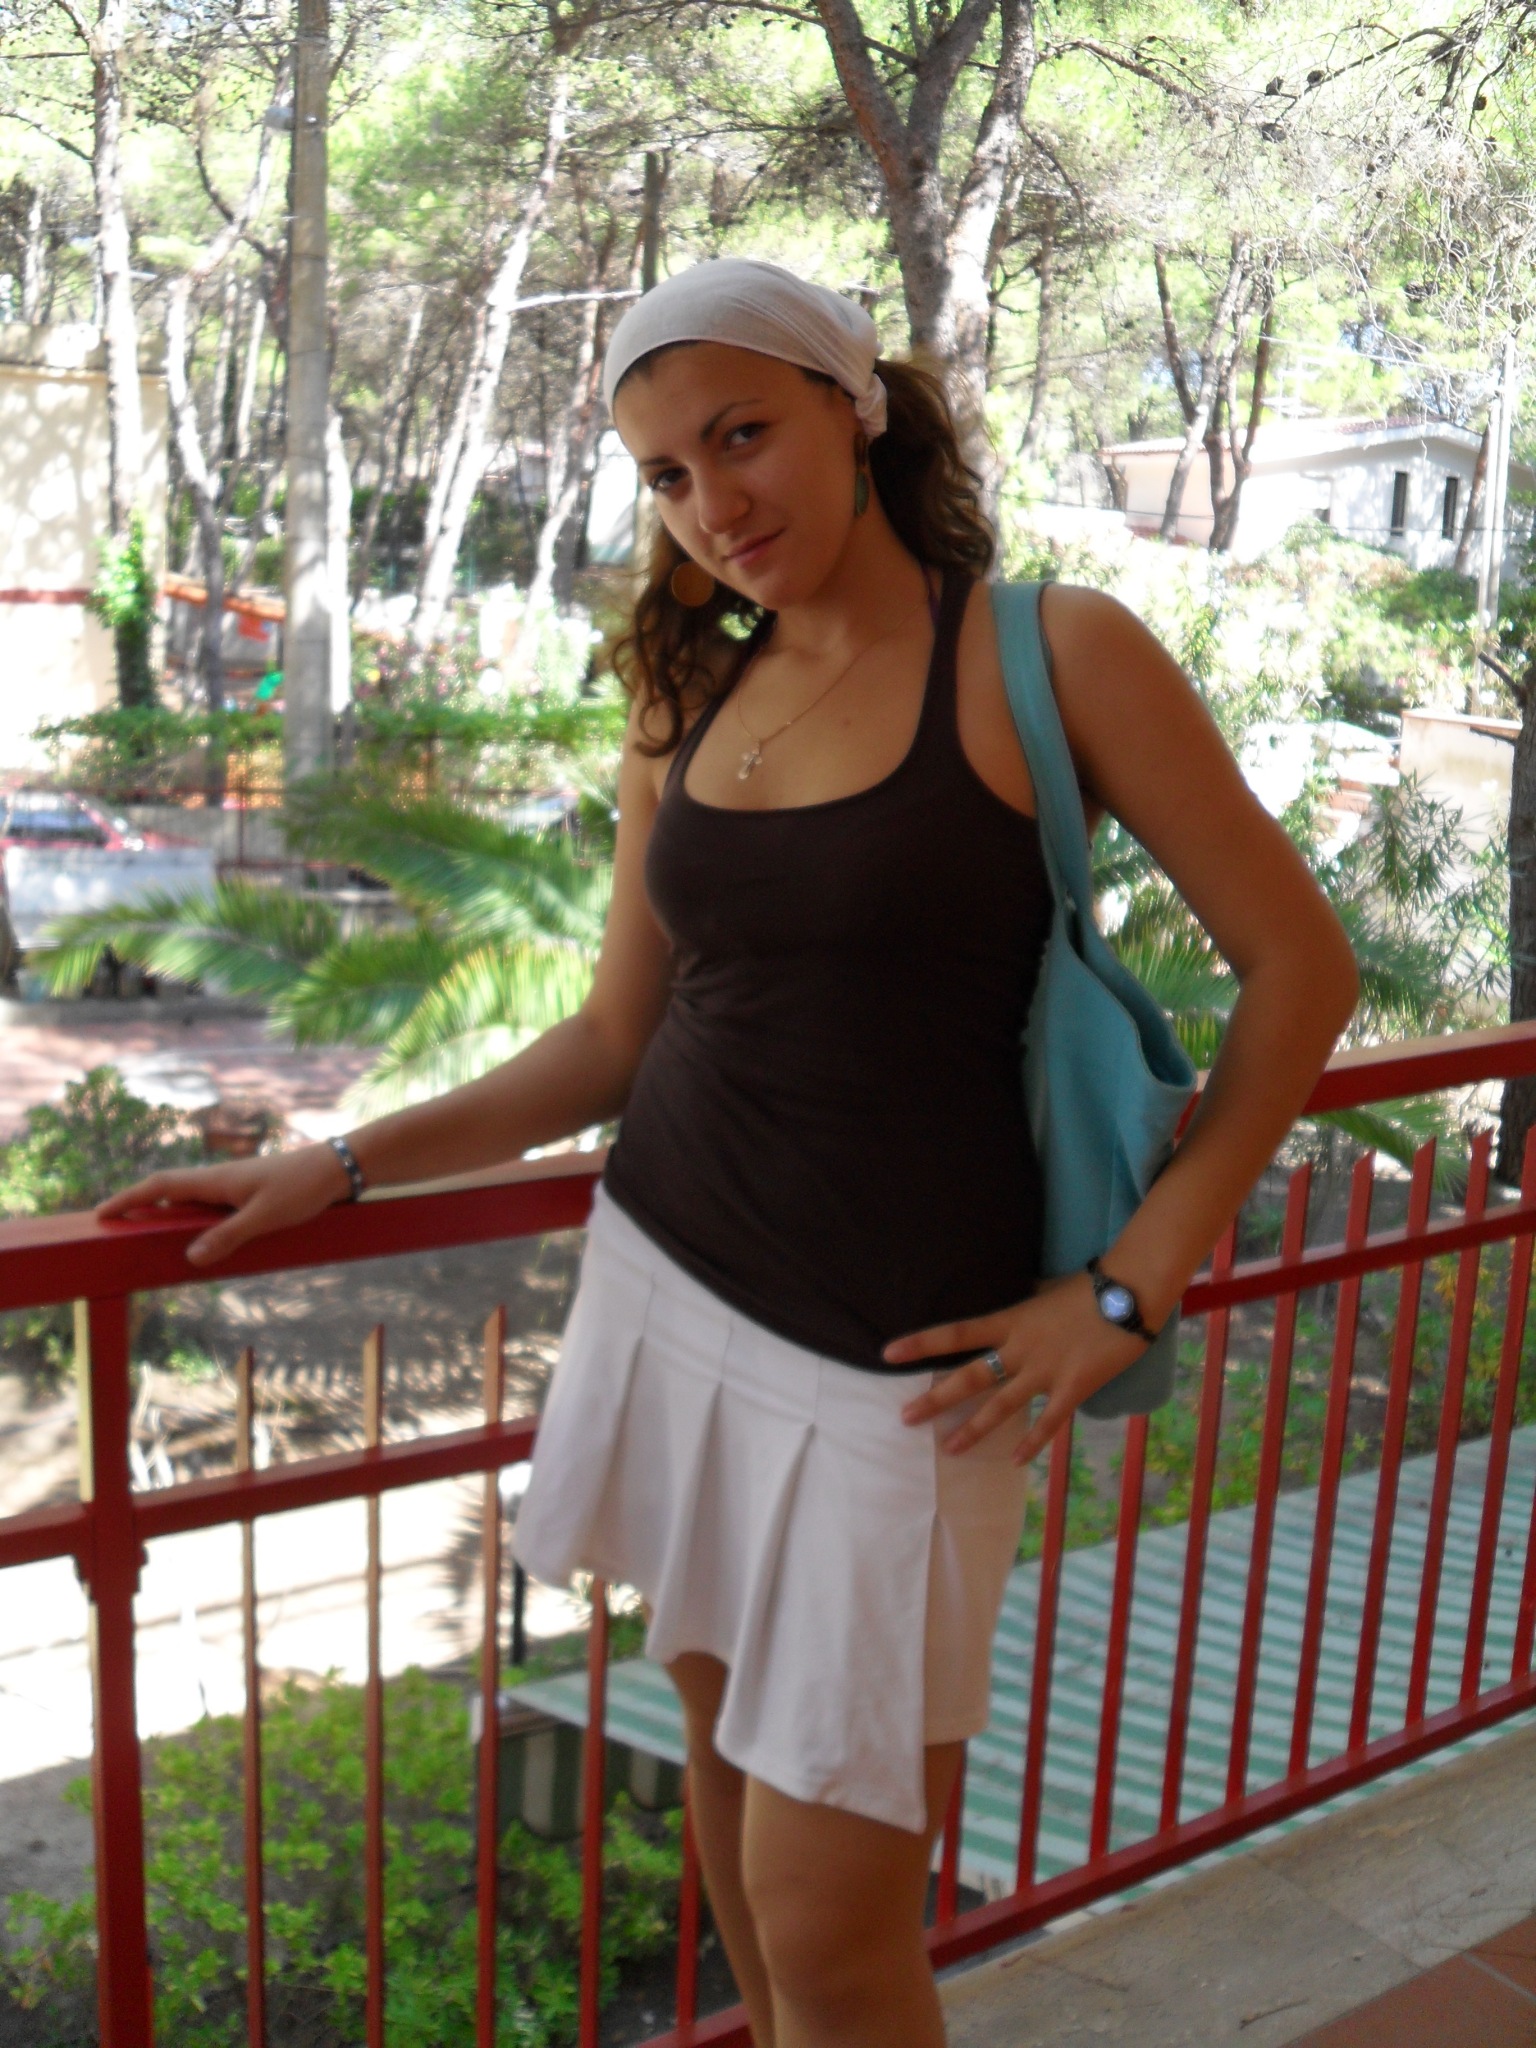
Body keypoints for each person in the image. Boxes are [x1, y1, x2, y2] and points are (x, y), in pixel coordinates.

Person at [101, 258, 1359, 2048]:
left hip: (903, 1375)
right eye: (669, 476)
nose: (715, 504)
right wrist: (346, 1162)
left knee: (836, 1935)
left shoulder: (1048, 652)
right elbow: (613, 1041)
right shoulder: (687, 694)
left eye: (744, 435)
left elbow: (1302, 968)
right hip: (667, 1285)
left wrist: (1128, 1290)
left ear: (857, 406)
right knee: (726, 1799)